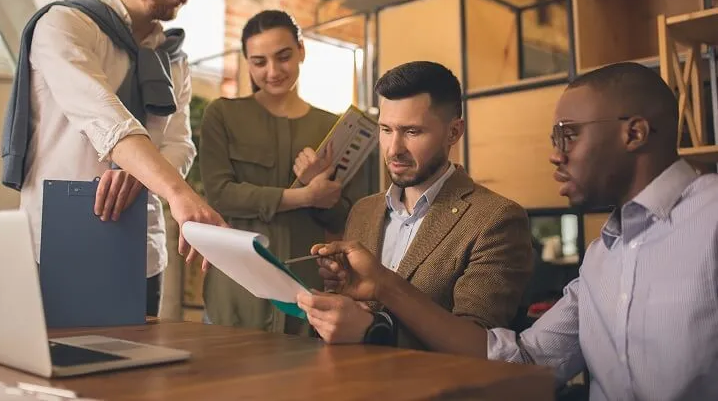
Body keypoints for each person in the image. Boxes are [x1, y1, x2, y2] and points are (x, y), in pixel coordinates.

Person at [300, 62, 718, 401]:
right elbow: (525, 359)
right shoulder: (602, 257)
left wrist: (379, 320)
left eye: (568, 135)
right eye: (387, 130)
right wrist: (380, 292)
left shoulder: (709, 218)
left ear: (634, 133)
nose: (555, 155)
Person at [4, 0, 225, 317]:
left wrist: (141, 173)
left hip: (141, 246)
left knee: (137, 372)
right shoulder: (65, 25)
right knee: (56, 371)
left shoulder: (174, 60)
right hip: (57, 241)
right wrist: (176, 190)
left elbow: (180, 144)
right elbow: (103, 115)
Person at [297, 61, 534, 349]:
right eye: (385, 129)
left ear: (454, 132)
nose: (393, 148)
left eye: (412, 132)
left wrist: (374, 328)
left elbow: (478, 347)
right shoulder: (362, 210)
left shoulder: (496, 219)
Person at [198, 9, 369, 334]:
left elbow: (347, 219)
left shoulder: (332, 127)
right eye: (259, 62)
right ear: (247, 62)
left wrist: (324, 198)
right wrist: (303, 194)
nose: (273, 71)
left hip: (306, 292)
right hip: (235, 293)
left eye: (284, 57)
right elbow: (222, 196)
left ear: (301, 50)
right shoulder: (222, 115)